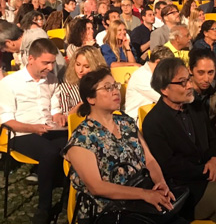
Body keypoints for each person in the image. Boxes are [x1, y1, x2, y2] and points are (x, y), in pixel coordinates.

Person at [142, 58, 216, 223]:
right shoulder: (153, 122)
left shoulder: (195, 106)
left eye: (189, 80)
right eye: (183, 83)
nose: (190, 86)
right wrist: (206, 171)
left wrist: (215, 159)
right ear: (164, 89)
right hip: (184, 191)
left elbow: (214, 139)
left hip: (208, 184)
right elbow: (169, 166)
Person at [61, 68, 187, 224]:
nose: (115, 92)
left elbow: (150, 160)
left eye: (115, 86)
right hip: (108, 210)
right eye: (108, 88)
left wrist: (160, 182)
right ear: (90, 99)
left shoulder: (126, 123)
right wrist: (144, 194)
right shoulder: (82, 139)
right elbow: (97, 187)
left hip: (141, 197)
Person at [0, 39, 68, 224]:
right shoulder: (10, 83)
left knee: (74, 145)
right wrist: (33, 128)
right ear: (31, 59)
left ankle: (68, 199)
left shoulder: (52, 80)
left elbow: (55, 108)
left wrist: (58, 116)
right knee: (50, 152)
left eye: (52, 62)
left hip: (47, 129)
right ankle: (43, 208)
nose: (50, 67)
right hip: (20, 133)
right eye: (46, 62)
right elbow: (7, 121)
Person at [53, 45, 107, 117]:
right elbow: (65, 117)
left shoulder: (104, 84)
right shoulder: (65, 87)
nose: (80, 70)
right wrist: (82, 105)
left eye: (86, 66)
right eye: (78, 64)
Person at [124, 46, 174, 121]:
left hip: (154, 116)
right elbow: (162, 98)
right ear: (158, 63)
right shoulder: (141, 76)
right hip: (136, 119)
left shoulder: (156, 75)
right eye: (167, 67)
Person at [189, 48, 216, 138]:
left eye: (210, 73)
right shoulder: (182, 91)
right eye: (201, 73)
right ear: (190, 70)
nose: (206, 79)